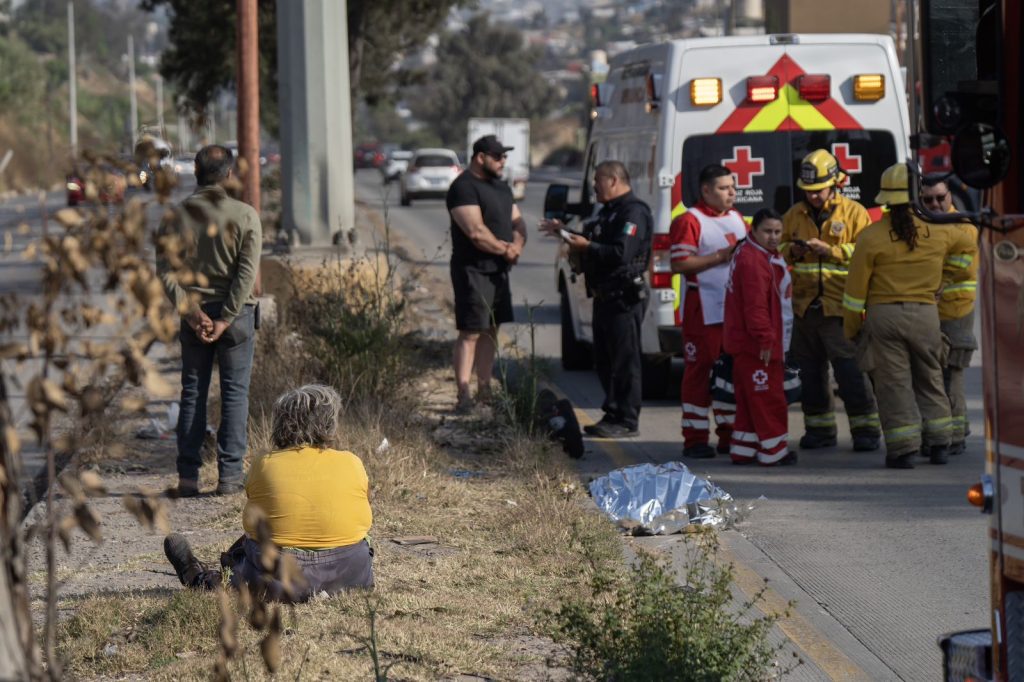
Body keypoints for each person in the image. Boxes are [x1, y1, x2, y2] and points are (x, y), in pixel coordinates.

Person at [163, 384, 374, 601]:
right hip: (351, 575)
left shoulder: (264, 463)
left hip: (280, 578)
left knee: (251, 544)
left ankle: (200, 578)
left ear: (281, 424)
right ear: (329, 423)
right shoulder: (352, 462)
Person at [842, 164, 976, 469]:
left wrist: (852, 329)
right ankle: (940, 444)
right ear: (918, 196)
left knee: (894, 384)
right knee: (931, 379)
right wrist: (946, 278)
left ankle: (903, 451)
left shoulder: (870, 237)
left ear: (886, 199)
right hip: (927, 315)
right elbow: (969, 247)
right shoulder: (941, 230)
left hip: (884, 317)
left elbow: (853, 295)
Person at [156, 144, 262, 497]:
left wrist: (191, 312)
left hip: (193, 318)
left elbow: (165, 271)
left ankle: (188, 477)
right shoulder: (246, 215)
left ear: (196, 174)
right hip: (238, 319)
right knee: (234, 394)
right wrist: (227, 316)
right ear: (229, 175)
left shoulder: (175, 217)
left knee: (193, 392)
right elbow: (246, 275)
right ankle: (229, 477)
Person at [540, 161, 653, 438]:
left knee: (625, 361)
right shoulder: (610, 212)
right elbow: (592, 236)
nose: (594, 189)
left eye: (597, 183)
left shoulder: (633, 212)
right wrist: (564, 231)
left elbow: (620, 253)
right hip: (604, 296)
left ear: (613, 180)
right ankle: (612, 412)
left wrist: (587, 247)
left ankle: (627, 419)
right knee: (604, 360)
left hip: (623, 297)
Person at [782, 149, 881, 453]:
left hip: (839, 308)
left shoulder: (854, 213)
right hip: (805, 308)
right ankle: (820, 431)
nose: (812, 197)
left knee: (850, 373)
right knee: (811, 375)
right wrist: (793, 251)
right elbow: (781, 246)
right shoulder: (794, 215)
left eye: (818, 191)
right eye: (808, 191)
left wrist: (831, 251)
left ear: (836, 184)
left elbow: (865, 253)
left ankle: (865, 431)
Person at [669, 164, 747, 458]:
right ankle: (695, 438)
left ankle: (730, 435)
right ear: (706, 190)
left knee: (730, 372)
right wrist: (719, 257)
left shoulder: (738, 218)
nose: (732, 193)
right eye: (724, 188)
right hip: (701, 308)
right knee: (699, 372)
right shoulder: (690, 220)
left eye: (733, 187)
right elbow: (679, 264)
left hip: (732, 310)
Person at [447, 135, 527, 413]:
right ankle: (463, 394)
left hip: (498, 272)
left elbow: (518, 221)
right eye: (498, 156)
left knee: (491, 331)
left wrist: (516, 246)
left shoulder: (502, 187)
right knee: (470, 331)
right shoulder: (463, 188)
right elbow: (476, 232)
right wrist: (506, 250)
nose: (503, 161)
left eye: (504, 156)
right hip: (473, 271)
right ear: (480, 157)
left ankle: (484, 390)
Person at [723, 208, 796, 466]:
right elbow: (755, 307)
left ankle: (743, 449)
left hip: (745, 343)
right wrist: (766, 339)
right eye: (767, 231)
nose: (773, 237)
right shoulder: (754, 261)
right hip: (757, 346)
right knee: (768, 398)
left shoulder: (752, 254)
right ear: (753, 230)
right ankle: (774, 452)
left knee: (748, 399)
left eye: (778, 232)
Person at [922, 175, 978, 455]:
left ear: (950, 197)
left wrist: (935, 281)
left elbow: (961, 265)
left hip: (956, 310)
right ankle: (950, 430)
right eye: (928, 199)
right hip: (930, 310)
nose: (935, 204)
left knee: (950, 373)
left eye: (940, 198)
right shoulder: (927, 224)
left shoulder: (962, 226)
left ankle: (955, 436)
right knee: (932, 375)